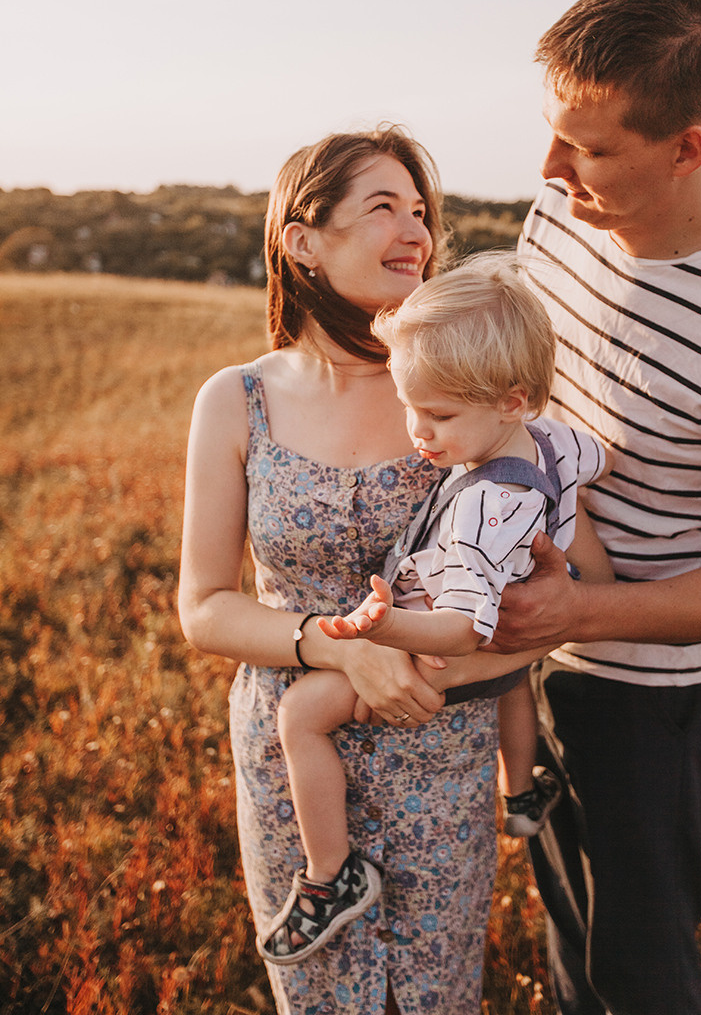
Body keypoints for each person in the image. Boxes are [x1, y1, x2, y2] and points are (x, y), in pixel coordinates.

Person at [178, 127, 593, 1015]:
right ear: (302, 242)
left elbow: (555, 575)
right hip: (291, 745)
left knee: (434, 995)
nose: (416, 231)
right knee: (320, 998)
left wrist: (543, 611)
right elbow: (205, 608)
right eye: (382, 208)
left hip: (439, 748)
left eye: (420, 211)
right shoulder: (237, 400)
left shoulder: (466, 390)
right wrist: (337, 649)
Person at [495, 0, 701, 1014]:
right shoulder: (555, 223)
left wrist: (583, 608)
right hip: (526, 643)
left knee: (640, 967)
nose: (546, 168)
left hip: (651, 696)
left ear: (686, 148)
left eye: (583, 146)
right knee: (567, 925)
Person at [262, 255, 611, 966]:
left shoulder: (487, 503)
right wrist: (569, 561)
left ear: (513, 399)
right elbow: (596, 458)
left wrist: (380, 629)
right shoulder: (554, 441)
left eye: (440, 415)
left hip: (440, 644)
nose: (419, 433)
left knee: (300, 716)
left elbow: (462, 629)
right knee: (515, 683)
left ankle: (332, 875)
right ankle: (520, 792)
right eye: (410, 407)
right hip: (511, 632)